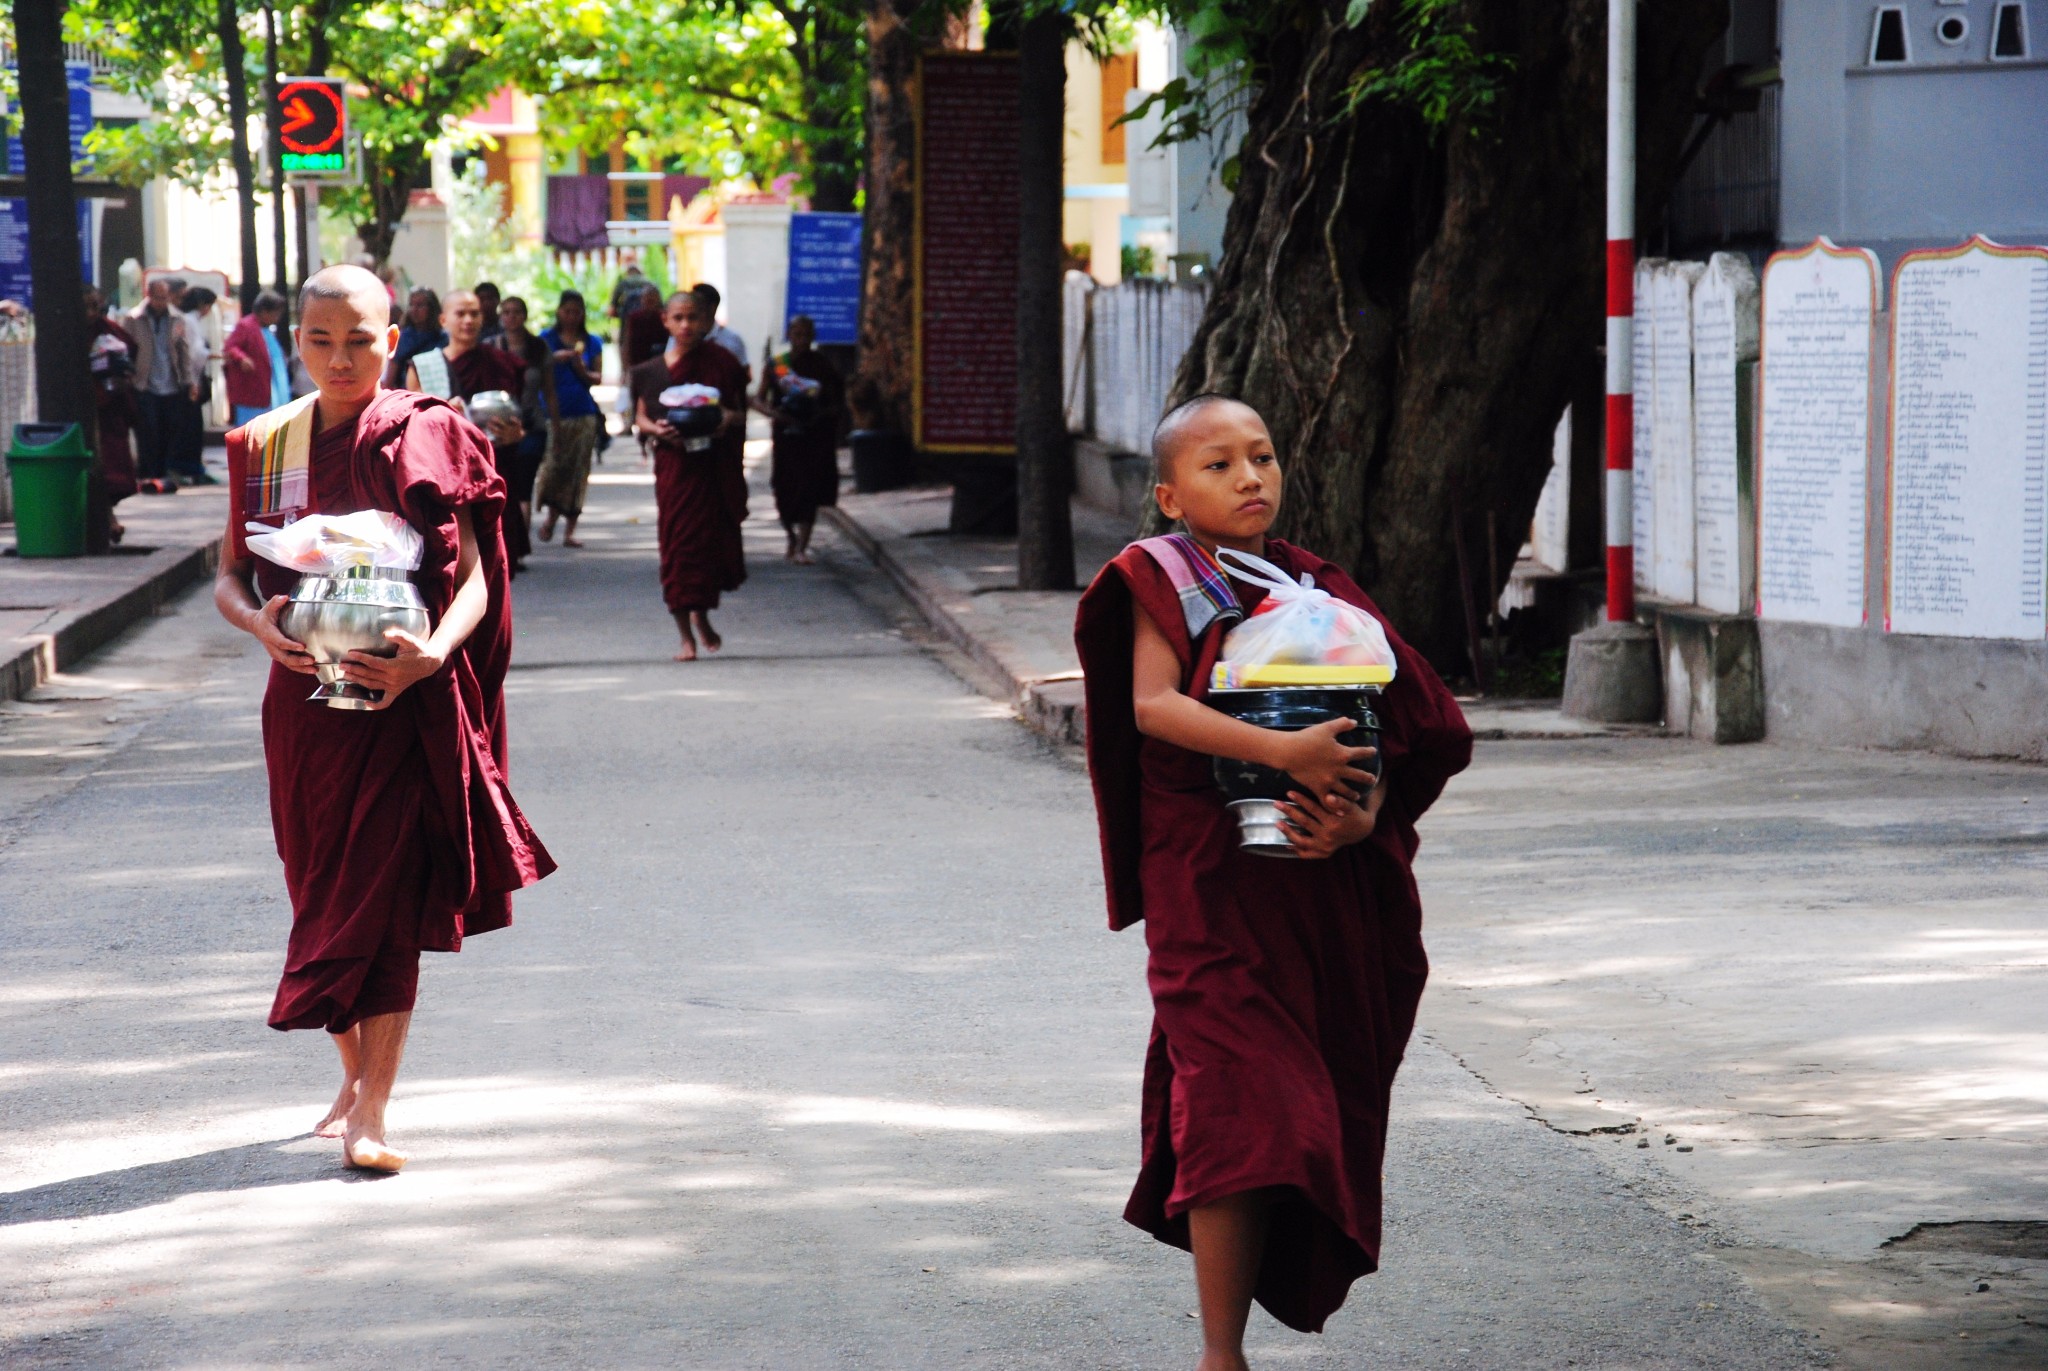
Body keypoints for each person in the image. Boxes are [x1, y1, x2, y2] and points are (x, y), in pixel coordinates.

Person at [1071, 395, 1471, 1369]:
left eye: (1261, 456)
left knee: (1292, 1111)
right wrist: (1279, 749)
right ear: (1167, 494)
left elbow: (1413, 725)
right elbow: (1150, 705)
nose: (1249, 476)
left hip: (1312, 885)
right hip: (1207, 893)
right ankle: (1220, 1356)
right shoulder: (1154, 577)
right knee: (1235, 1104)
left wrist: (1364, 815)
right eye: (1218, 464)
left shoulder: (1310, 587)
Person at [212, 263, 555, 1173]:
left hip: (405, 693)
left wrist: (438, 653)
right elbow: (230, 576)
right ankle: (352, 1072)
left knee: (386, 897)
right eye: (320, 341)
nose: (340, 359)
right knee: (318, 886)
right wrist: (259, 624)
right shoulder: (267, 443)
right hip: (305, 702)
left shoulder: (429, 430)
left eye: (360, 340)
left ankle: (374, 1108)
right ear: (297, 345)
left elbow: (479, 572)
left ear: (392, 341)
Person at [630, 291, 748, 661]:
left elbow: (738, 413)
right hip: (676, 470)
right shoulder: (650, 370)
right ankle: (685, 635)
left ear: (707, 320)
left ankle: (702, 616)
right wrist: (656, 430)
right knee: (678, 548)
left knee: (707, 548)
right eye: (678, 318)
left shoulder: (723, 362)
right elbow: (640, 417)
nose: (686, 326)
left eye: (693, 318)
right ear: (665, 320)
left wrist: (723, 420)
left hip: (711, 468)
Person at [406, 289, 531, 571]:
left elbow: (520, 422)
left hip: (496, 469)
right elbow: (411, 426)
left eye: (474, 313)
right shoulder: (423, 366)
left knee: (497, 566)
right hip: (446, 474)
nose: (468, 320)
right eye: (460, 313)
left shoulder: (500, 362)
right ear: (443, 320)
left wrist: (515, 435)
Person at [753, 314, 844, 564]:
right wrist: (776, 414)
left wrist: (818, 414)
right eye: (797, 334)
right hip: (786, 437)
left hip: (814, 437)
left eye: (806, 335)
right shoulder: (778, 365)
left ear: (813, 337)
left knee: (809, 490)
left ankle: (803, 545)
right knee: (784, 489)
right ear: (789, 336)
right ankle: (791, 538)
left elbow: (836, 403)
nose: (802, 340)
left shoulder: (822, 365)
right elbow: (758, 399)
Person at [483, 294, 555, 555]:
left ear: (525, 316)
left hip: (532, 424)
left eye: (516, 312)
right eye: (507, 312)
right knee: (505, 484)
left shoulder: (538, 348)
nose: (511, 317)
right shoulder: (490, 347)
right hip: (497, 427)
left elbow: (549, 389)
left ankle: (518, 547)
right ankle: (510, 545)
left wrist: (555, 424)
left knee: (523, 486)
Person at [535, 290, 604, 548]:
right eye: (567, 311)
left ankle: (569, 530)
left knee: (578, 470)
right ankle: (551, 517)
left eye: (577, 312)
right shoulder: (546, 339)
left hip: (583, 412)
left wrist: (580, 369)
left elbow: (598, 377)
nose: (572, 317)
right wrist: (555, 359)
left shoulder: (591, 341)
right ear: (559, 312)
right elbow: (533, 366)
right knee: (554, 467)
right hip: (552, 413)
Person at [126, 277, 199, 488]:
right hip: (144, 383)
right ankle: (147, 473)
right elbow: (127, 348)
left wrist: (190, 381)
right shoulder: (134, 318)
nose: (161, 302)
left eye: (165, 298)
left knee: (170, 430)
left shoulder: (177, 319)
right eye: (157, 298)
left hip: (171, 383)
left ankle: (162, 472)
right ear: (148, 295)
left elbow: (183, 351)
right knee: (148, 430)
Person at [84, 287, 138, 542]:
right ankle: (106, 520)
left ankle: (108, 517)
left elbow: (130, 349)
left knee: (112, 468)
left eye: (96, 306)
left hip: (109, 405)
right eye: (87, 307)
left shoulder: (109, 331)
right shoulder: (68, 331)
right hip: (84, 407)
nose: (92, 312)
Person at [172, 285, 220, 484]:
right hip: (189, 380)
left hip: (188, 379)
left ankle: (190, 467)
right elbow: (192, 354)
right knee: (190, 429)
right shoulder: (189, 321)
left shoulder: (186, 320)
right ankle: (190, 468)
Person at [225, 291, 291, 426]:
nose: (277, 318)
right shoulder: (246, 326)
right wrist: (242, 358)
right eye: (276, 313)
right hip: (252, 393)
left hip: (266, 391)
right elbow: (230, 347)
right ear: (264, 311)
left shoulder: (265, 329)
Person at [385, 286, 446, 387]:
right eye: (411, 305)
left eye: (420, 305)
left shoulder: (442, 337)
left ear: (432, 308)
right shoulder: (402, 337)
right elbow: (390, 378)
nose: (414, 310)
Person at [691, 283, 750, 378]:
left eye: (697, 304)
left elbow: (743, 374)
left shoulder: (732, 339)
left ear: (712, 307)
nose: (693, 308)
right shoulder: (681, 337)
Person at [608, 250, 652, 322]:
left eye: (630, 259)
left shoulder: (621, 284)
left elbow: (611, 311)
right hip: (646, 324)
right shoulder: (649, 283)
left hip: (627, 325)